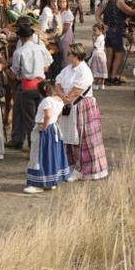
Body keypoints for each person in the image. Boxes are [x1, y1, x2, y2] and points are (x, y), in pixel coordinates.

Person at [54, 44, 108, 181]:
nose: (68, 56)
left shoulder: (84, 71)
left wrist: (65, 99)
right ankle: (71, 166)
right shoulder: (68, 69)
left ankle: (84, 170)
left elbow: (77, 91)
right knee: (68, 137)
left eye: (70, 54)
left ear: (77, 55)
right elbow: (58, 83)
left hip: (82, 106)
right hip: (69, 105)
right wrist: (62, 96)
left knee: (82, 138)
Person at [8, 24, 53, 151]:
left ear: (20, 37)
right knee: (41, 117)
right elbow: (48, 64)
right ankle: (42, 145)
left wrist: (6, 69)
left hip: (27, 86)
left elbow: (15, 73)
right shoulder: (40, 48)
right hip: (41, 87)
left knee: (29, 120)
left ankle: (34, 147)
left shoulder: (19, 52)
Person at [23, 88, 71, 194]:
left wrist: (44, 127)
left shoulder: (46, 101)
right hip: (54, 127)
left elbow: (48, 115)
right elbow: (59, 114)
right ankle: (51, 181)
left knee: (39, 156)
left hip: (45, 129)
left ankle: (38, 184)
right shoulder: (59, 100)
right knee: (51, 155)